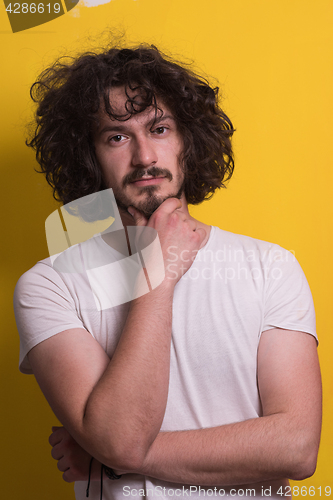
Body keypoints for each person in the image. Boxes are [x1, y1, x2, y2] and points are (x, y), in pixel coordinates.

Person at [14, 44, 322, 500]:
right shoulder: (49, 285)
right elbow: (120, 435)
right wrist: (160, 270)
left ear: (187, 142)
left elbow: (296, 449)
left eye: (159, 129)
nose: (143, 156)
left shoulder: (270, 267)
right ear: (90, 155)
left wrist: (114, 460)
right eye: (117, 137)